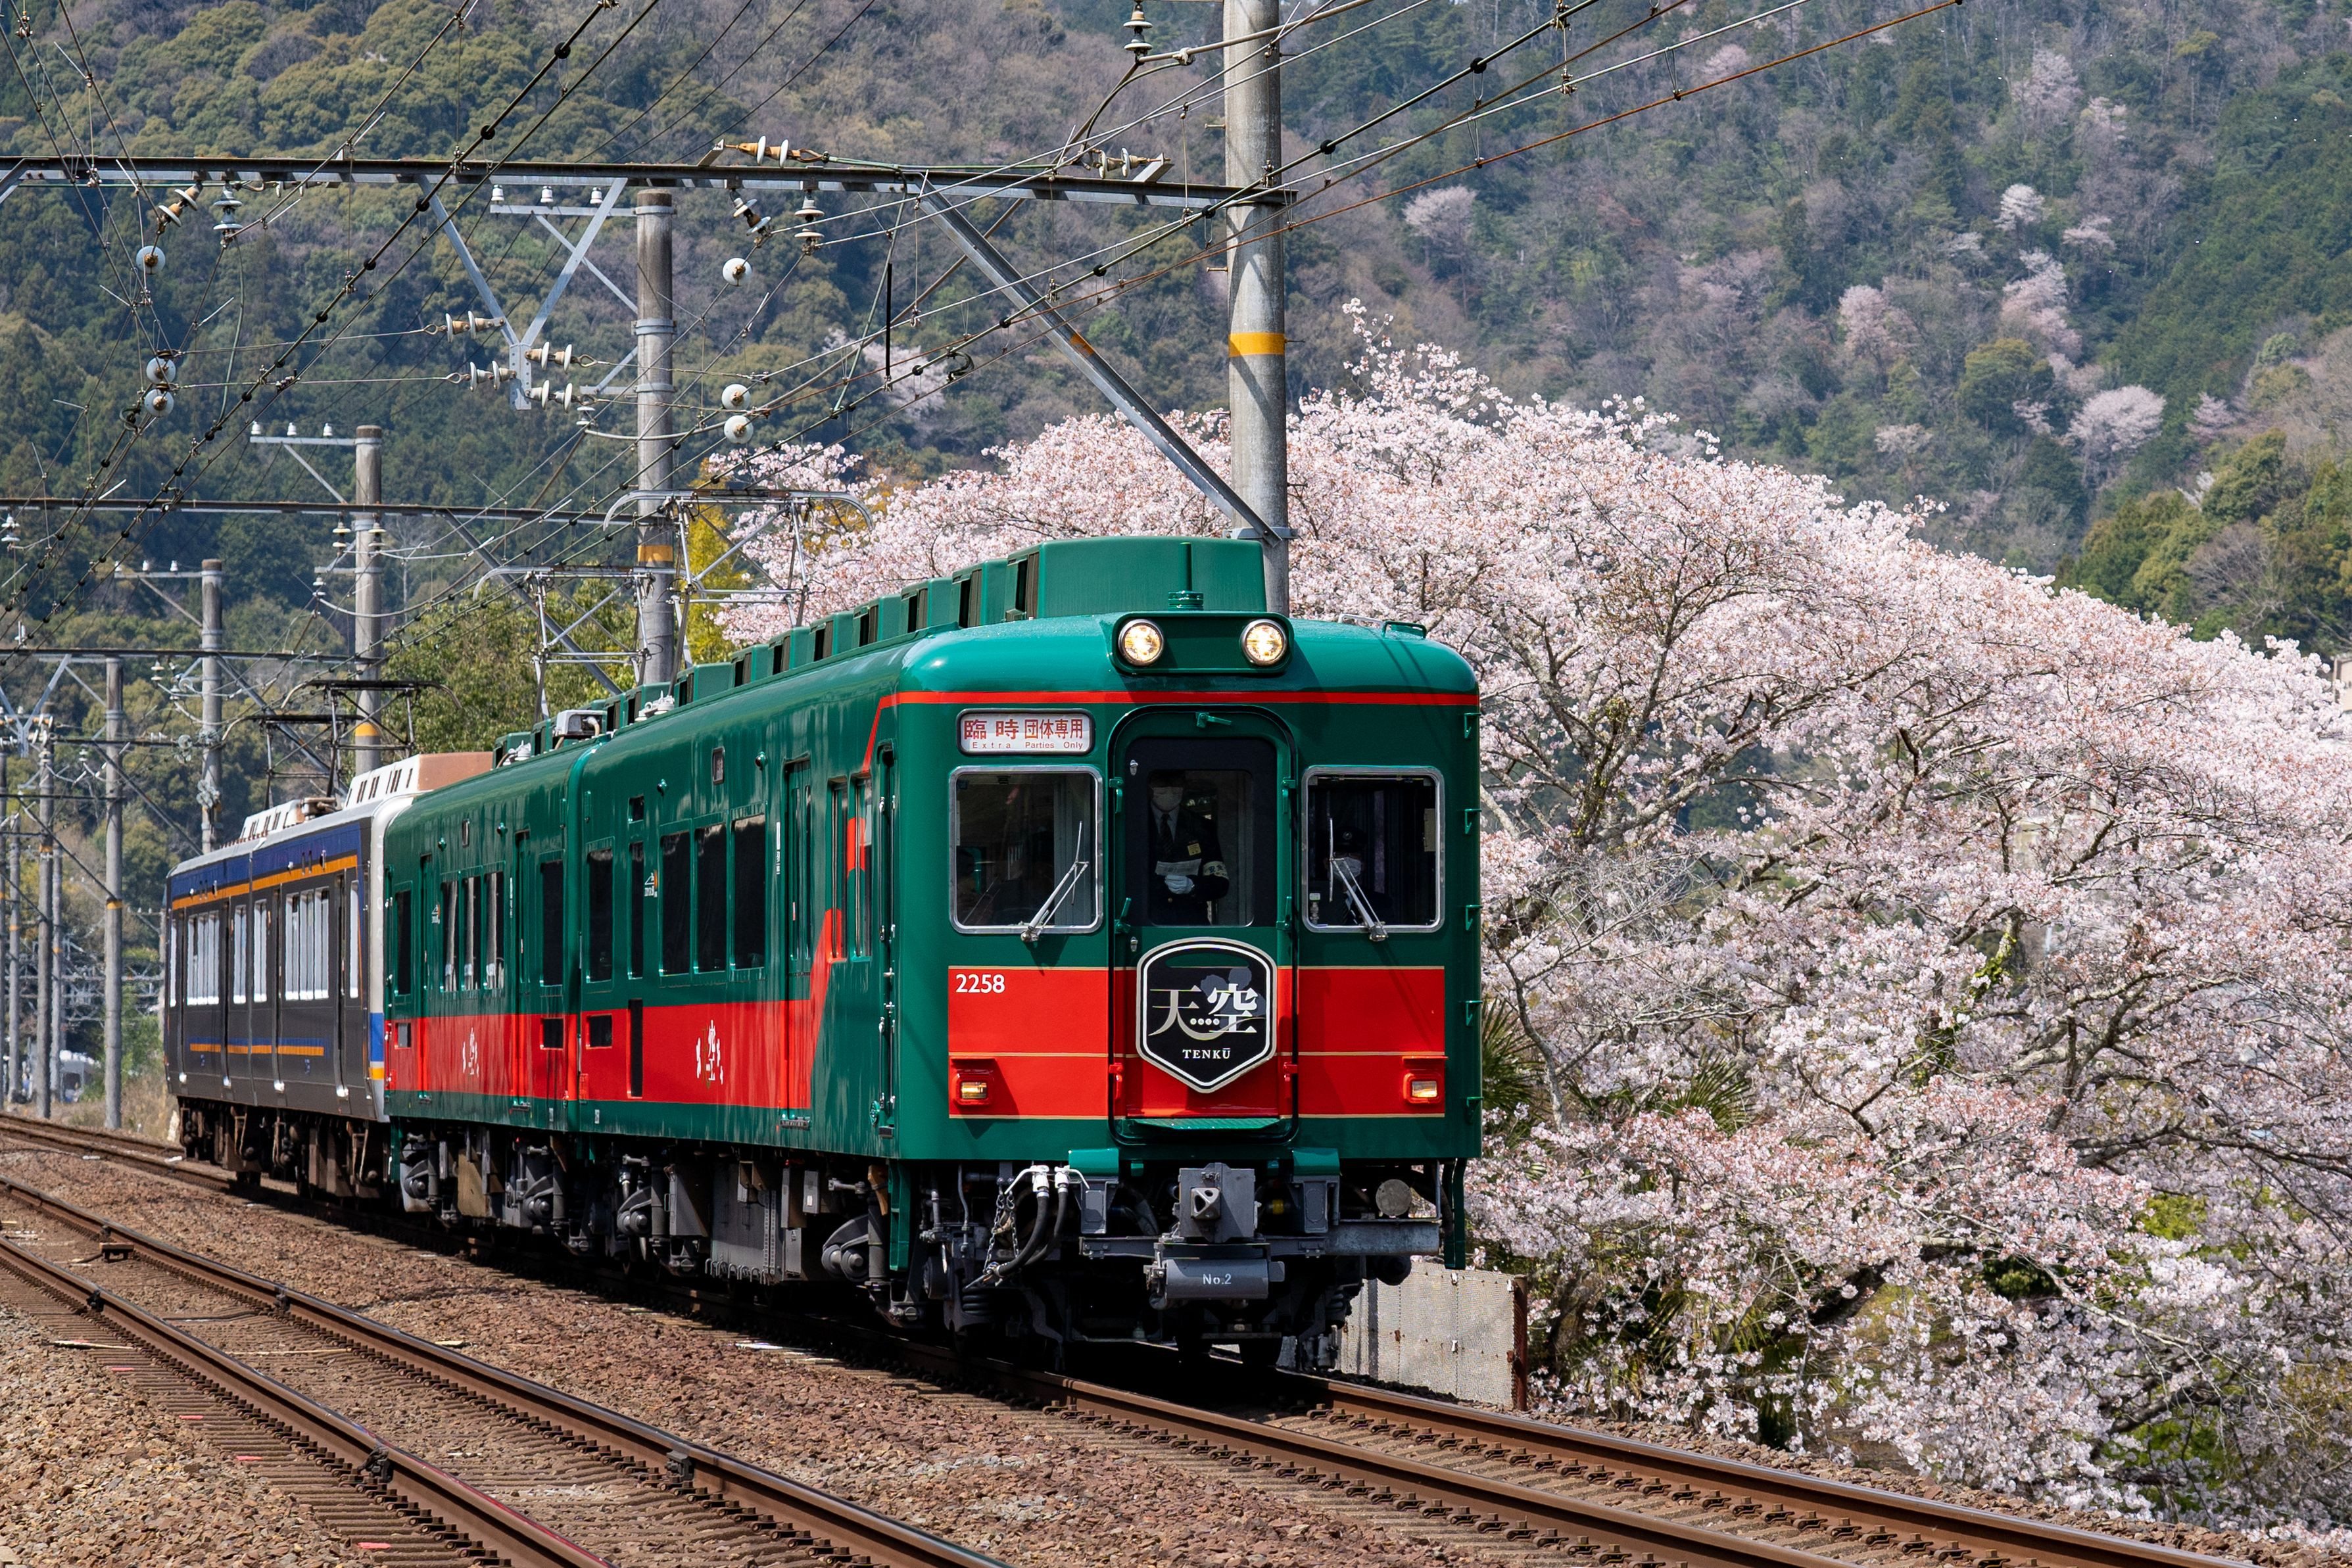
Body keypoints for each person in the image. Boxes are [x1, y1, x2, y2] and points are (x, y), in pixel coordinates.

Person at [1144, 772, 1230, 923]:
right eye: (1161, 784)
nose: (1169, 789)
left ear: (1184, 787)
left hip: (1190, 921)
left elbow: (1220, 883)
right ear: (1149, 787)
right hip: (1147, 922)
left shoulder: (1202, 827)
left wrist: (1192, 886)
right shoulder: (1134, 823)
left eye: (1175, 784)